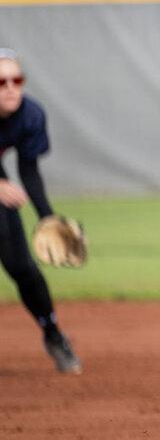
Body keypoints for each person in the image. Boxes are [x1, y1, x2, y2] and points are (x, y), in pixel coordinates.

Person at [0, 48, 82, 374]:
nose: (10, 87)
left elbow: (29, 170)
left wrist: (47, 217)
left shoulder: (30, 115)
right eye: (1, 82)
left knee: (23, 268)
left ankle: (53, 334)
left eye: (16, 80)